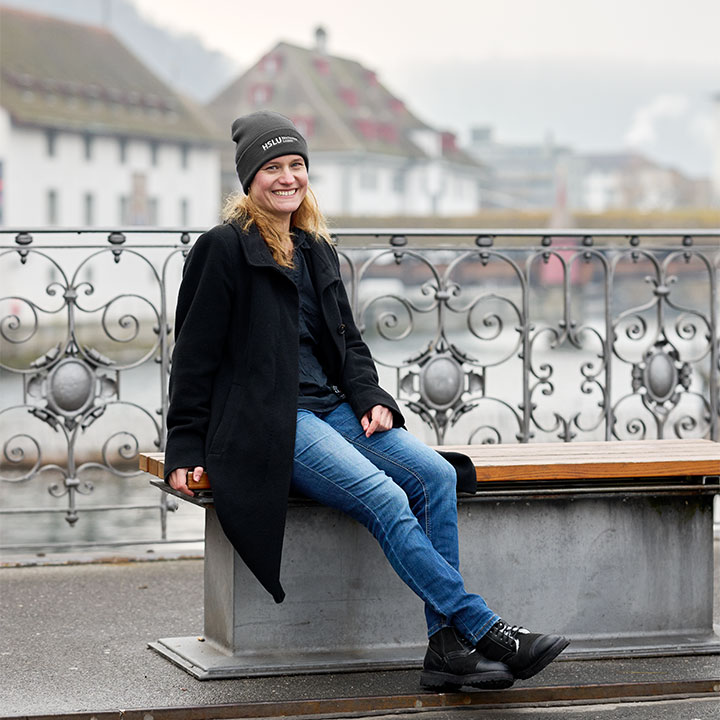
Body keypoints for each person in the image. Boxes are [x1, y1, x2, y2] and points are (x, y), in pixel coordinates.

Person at [165, 111, 569, 691]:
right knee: (383, 495)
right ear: (249, 179)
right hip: (274, 422)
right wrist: (184, 446)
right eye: (272, 167)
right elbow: (194, 355)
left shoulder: (314, 247)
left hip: (333, 407)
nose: (287, 178)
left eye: (296, 165)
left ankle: (447, 651)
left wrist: (369, 395)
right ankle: (487, 630)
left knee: (433, 474)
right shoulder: (223, 248)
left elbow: (347, 340)